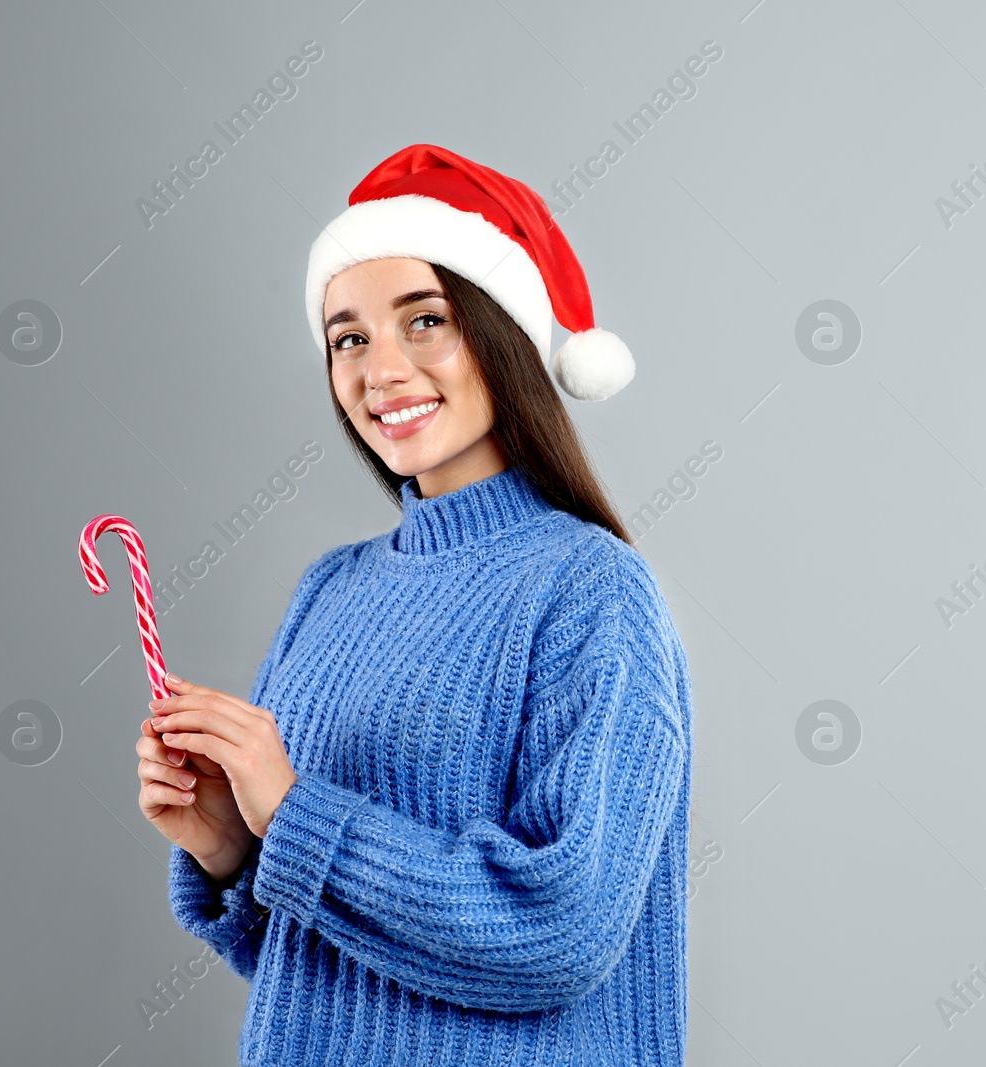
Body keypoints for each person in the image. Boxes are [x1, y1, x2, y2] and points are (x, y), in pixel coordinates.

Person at [134, 143, 695, 1066]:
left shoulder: (590, 589)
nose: (379, 369)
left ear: (499, 333)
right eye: (348, 337)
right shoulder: (332, 589)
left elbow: (560, 933)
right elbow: (316, 962)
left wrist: (294, 814)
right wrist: (234, 846)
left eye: (423, 320)